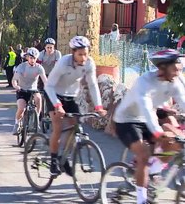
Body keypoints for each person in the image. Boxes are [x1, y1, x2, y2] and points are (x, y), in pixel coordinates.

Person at [113, 49, 185, 204]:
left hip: (146, 119)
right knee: (144, 155)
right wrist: (159, 133)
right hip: (126, 120)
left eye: (179, 70)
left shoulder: (175, 81)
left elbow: (184, 101)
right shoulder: (145, 81)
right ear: (162, 67)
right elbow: (146, 108)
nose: (177, 73)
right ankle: (141, 199)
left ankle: (151, 173)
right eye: (174, 70)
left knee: (175, 144)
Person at [45, 36, 107, 176]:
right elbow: (49, 86)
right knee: (58, 127)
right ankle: (54, 159)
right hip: (54, 94)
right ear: (73, 52)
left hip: (71, 96)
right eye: (80, 54)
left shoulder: (89, 63)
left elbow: (92, 85)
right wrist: (57, 105)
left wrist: (99, 106)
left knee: (75, 127)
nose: (84, 57)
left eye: (86, 53)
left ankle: (64, 157)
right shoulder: (63, 63)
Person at [11, 47, 48, 135]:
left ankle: (36, 119)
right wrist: (16, 86)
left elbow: (45, 80)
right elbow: (14, 80)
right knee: (21, 109)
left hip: (33, 89)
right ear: (27, 57)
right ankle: (16, 124)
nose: (32, 60)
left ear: (36, 59)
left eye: (34, 58)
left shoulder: (39, 68)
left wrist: (48, 89)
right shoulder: (21, 66)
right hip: (22, 90)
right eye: (31, 58)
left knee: (38, 98)